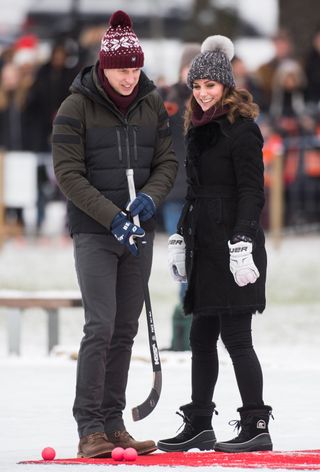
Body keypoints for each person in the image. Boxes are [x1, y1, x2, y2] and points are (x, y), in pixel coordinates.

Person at [52, 10, 177, 458]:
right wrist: (113, 218)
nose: (131, 77)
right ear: (105, 67)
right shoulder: (75, 106)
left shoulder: (150, 103)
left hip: (138, 232)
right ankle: (89, 428)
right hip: (95, 232)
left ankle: (112, 421)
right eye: (123, 69)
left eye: (136, 68)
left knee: (125, 329)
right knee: (100, 325)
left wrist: (148, 199)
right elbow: (68, 174)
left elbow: (167, 162)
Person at [157, 35, 272, 454]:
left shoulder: (243, 131)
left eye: (211, 85)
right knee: (201, 337)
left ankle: (256, 423)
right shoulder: (197, 129)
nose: (203, 93)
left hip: (233, 244)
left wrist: (243, 238)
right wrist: (180, 237)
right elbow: (193, 193)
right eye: (197, 86)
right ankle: (200, 422)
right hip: (203, 242)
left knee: (237, 336)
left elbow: (252, 191)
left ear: (226, 85)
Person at [159, 42, 200, 351]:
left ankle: (201, 324)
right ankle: (185, 324)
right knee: (182, 259)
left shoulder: (211, 99)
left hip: (204, 191)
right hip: (176, 192)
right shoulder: (170, 99)